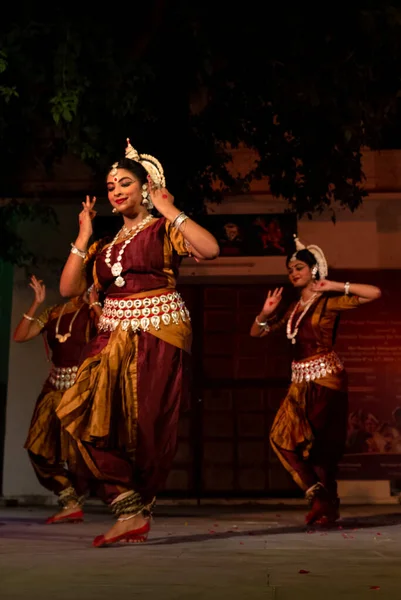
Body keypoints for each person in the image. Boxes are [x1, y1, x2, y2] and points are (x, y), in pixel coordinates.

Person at [56, 138, 219, 547]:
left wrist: (168, 208)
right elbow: (69, 287)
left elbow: (210, 249)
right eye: (111, 185)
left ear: (146, 186)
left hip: (157, 328)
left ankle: (134, 511)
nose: (116, 190)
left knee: (146, 425)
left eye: (125, 182)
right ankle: (128, 503)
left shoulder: (164, 228)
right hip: (111, 334)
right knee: (78, 410)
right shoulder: (105, 245)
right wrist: (84, 232)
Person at [250, 235, 381, 525]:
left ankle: (327, 506)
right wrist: (265, 313)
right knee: (281, 438)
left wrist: (335, 285)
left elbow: (374, 293)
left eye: (298, 267)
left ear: (313, 270)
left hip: (326, 380)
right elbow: (256, 333)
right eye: (290, 269)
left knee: (321, 448)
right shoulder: (293, 309)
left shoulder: (329, 303)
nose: (293, 273)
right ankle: (321, 498)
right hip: (300, 382)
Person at [13, 275, 101, 523]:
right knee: (37, 448)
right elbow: (20, 336)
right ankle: (69, 500)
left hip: (80, 390)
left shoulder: (92, 311)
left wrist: (94, 303)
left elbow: (109, 332)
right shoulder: (53, 312)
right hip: (53, 388)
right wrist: (35, 303)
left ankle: (125, 502)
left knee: (80, 452)